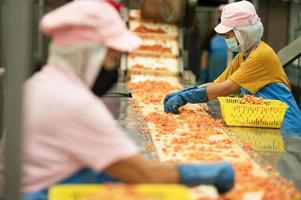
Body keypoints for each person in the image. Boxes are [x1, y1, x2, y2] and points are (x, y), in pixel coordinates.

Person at [20, 1, 234, 199]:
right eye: (112, 58)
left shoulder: (38, 85)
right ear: (87, 54)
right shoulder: (74, 103)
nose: (112, 67)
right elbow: (146, 175)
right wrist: (207, 172)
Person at [164, 0, 301, 136]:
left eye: (228, 35)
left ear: (243, 33)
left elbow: (226, 88)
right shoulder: (244, 55)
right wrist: (183, 92)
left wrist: (186, 97)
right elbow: (218, 83)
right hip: (269, 124)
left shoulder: (260, 55)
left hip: (287, 128)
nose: (226, 39)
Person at [200, 4, 228, 84]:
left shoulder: (236, 35)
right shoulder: (210, 34)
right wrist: (203, 75)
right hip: (213, 77)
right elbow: (205, 56)